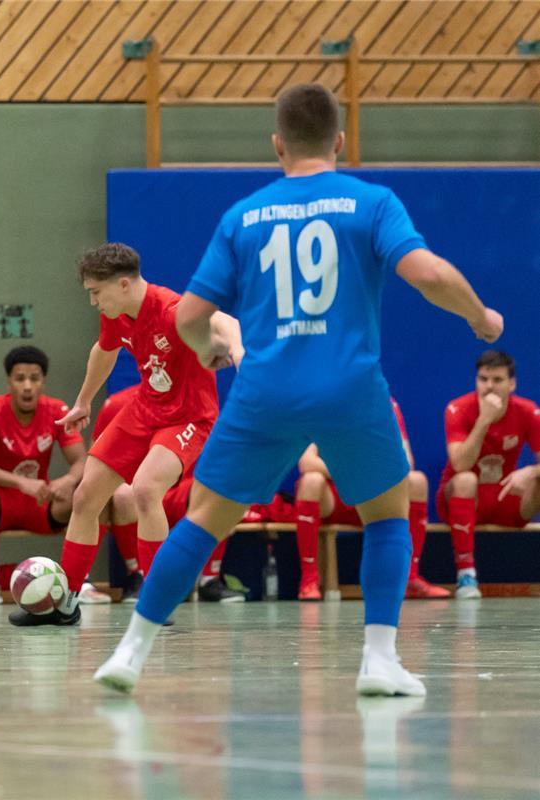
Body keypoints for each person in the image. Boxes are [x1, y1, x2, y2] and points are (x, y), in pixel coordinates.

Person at [94, 83, 503, 697]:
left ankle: (130, 652)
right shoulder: (373, 202)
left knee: (202, 520)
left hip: (265, 391)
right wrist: (481, 318)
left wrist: (207, 349)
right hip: (350, 389)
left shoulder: (244, 216)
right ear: (339, 140)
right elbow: (431, 274)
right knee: (389, 517)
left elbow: (188, 316)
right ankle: (379, 661)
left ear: (277, 144)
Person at [7, 243, 241, 627]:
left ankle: (156, 600)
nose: (93, 301)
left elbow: (225, 322)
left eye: (96, 293)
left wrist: (240, 352)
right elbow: (104, 350)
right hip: (147, 409)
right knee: (85, 496)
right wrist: (83, 402)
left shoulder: (172, 309)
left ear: (125, 284)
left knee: (147, 490)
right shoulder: (118, 314)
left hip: (189, 417)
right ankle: (65, 603)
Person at [0, 346, 89, 605]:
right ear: (9, 381)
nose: (27, 386)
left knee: (89, 490)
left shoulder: (57, 411)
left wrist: (68, 480)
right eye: (20, 379)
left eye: (34, 378)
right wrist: (20, 482)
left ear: (43, 381)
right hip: (0, 505)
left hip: (42, 502)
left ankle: (79, 583)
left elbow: (82, 461)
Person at [94, 386, 246, 603]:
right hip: (140, 493)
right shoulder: (117, 404)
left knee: (224, 490)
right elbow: (100, 460)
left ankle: (209, 580)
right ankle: (139, 577)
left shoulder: (197, 402)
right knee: (124, 494)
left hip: (180, 492)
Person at [294, 397, 447, 601]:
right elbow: (306, 462)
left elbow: (406, 461)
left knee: (417, 481)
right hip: (337, 498)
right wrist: (352, 471)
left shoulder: (386, 404)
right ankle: (309, 580)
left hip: (375, 497)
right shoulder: (321, 402)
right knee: (310, 481)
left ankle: (409, 578)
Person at [438, 349, 540, 598]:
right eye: (483, 379)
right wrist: (484, 420)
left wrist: (531, 470)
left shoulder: (528, 411)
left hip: (503, 496)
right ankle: (466, 575)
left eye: (497, 380)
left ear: (512, 384)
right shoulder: (458, 409)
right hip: (460, 499)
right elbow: (460, 464)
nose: (489, 387)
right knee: (465, 479)